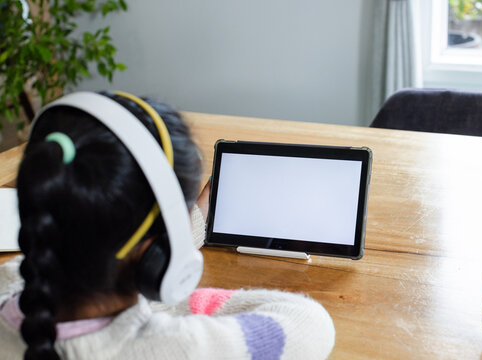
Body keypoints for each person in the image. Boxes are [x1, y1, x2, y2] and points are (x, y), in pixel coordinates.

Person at [0, 91, 335, 360]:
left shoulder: (11, 280)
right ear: (155, 257)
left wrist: (183, 229)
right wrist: (173, 290)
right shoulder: (179, 348)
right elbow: (311, 324)